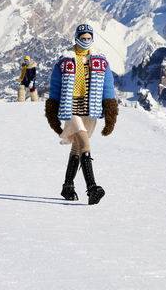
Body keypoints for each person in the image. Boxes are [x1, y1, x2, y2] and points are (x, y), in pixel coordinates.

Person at [44, 23, 118, 205]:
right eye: (82, 38)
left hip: (90, 109)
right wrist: (52, 115)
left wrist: (110, 114)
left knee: (77, 147)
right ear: (76, 38)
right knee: (84, 143)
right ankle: (92, 187)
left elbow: (108, 88)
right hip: (71, 110)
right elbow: (55, 88)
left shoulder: (101, 62)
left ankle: (67, 186)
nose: (85, 41)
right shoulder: (65, 61)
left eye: (88, 38)